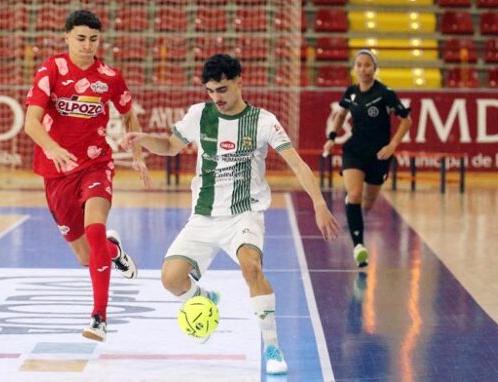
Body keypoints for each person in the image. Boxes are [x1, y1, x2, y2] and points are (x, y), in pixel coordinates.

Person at [120, 54, 340, 375]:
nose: (217, 97)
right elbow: (169, 146)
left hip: (244, 214)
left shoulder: (263, 121)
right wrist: (144, 140)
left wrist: (319, 203)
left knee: (251, 267)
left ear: (239, 80)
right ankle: (205, 297)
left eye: (222, 89)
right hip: (203, 216)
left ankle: (272, 346)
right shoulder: (199, 115)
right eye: (210, 90)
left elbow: (297, 164)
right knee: (170, 279)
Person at [24, 9, 151, 342]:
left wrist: (137, 155)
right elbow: (31, 122)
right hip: (56, 172)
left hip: (96, 164)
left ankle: (99, 318)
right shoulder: (50, 70)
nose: (87, 45)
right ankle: (113, 251)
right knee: (86, 254)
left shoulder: (109, 76)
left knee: (94, 229)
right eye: (80, 38)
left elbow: (128, 116)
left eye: (93, 39)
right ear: (67, 37)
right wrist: (51, 148)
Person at [323, 49, 412, 267]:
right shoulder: (351, 91)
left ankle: (355, 216)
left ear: (374, 68)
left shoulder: (385, 93)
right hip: (354, 150)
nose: (363, 69)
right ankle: (359, 247)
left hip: (379, 155)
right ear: (354, 69)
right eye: (359, 65)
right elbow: (341, 114)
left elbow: (406, 120)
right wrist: (332, 137)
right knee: (354, 194)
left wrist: (392, 145)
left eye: (367, 65)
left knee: (368, 201)